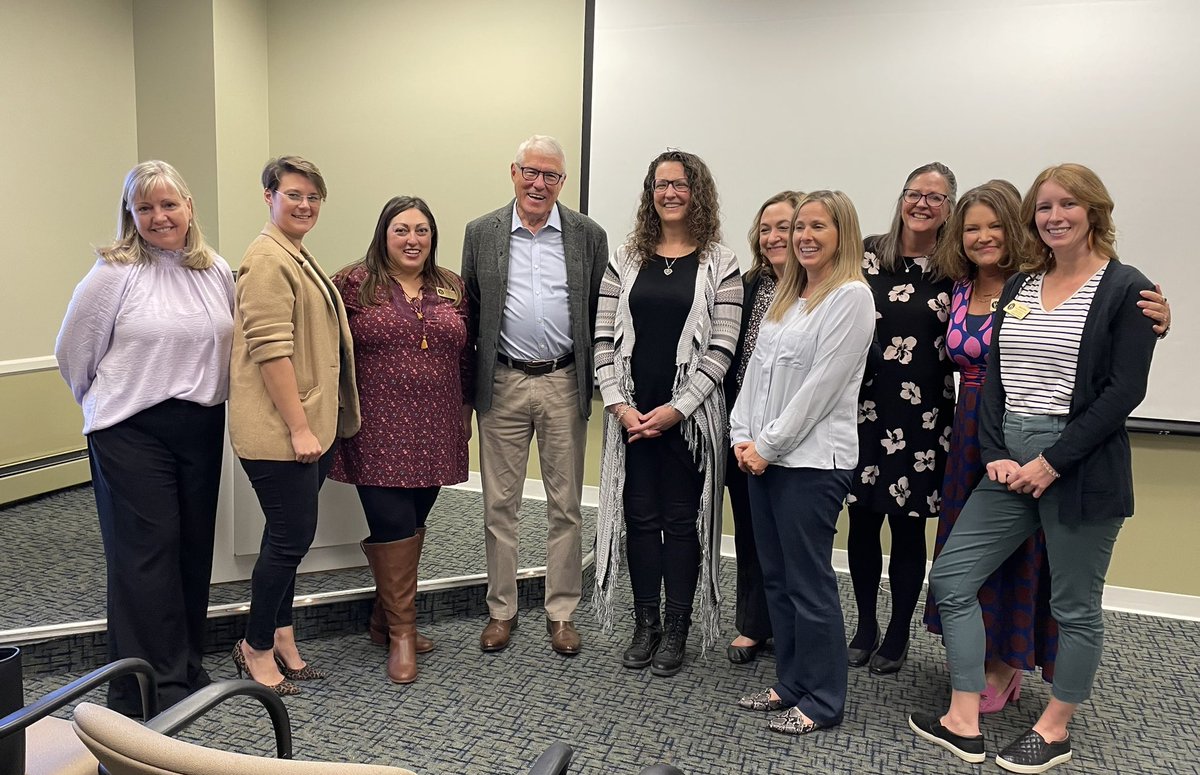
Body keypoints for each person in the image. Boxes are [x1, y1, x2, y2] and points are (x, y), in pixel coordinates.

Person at [909, 164, 1160, 773]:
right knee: (952, 579)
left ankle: (1055, 729)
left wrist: (1052, 461)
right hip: (1009, 464)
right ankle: (963, 718)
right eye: (1044, 208)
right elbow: (995, 376)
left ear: (1094, 210)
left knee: (1075, 605)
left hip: (1079, 465)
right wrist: (995, 452)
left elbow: (1124, 391)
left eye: (1067, 205)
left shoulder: (1128, 290)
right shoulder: (1024, 284)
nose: (1054, 217)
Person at [56, 160, 233, 715]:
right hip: (130, 429)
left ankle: (185, 667)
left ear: (188, 208)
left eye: (169, 204)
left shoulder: (215, 270)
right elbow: (72, 354)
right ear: (131, 214)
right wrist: (106, 403)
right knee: (146, 556)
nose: (159, 216)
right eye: (146, 207)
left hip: (200, 423)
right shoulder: (113, 274)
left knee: (191, 551)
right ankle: (145, 691)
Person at [730, 190, 875, 735]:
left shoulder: (851, 297)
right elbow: (756, 377)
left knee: (809, 583)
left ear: (843, 234)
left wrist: (766, 447)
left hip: (812, 464)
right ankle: (790, 683)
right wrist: (741, 437)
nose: (803, 237)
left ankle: (823, 699)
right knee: (778, 578)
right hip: (763, 459)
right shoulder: (788, 295)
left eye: (818, 226)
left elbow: (821, 389)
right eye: (798, 228)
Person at [594, 149, 743, 676]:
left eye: (679, 184)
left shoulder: (721, 263)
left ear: (696, 192)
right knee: (638, 520)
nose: (669, 193)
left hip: (691, 422)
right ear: (649, 193)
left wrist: (677, 411)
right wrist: (617, 402)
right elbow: (602, 338)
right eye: (660, 184)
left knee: (681, 523)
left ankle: (678, 627)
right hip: (630, 418)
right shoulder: (626, 258)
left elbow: (722, 349)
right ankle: (645, 624)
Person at [461, 135, 609, 656]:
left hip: (564, 381)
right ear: (513, 172)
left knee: (565, 503)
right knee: (499, 503)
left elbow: (597, 311)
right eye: (531, 172)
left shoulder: (588, 235)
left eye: (551, 176)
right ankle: (501, 610)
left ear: (562, 182)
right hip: (502, 381)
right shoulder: (481, 233)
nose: (539, 184)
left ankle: (561, 612)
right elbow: (472, 307)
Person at [229, 156, 360, 695]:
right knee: (290, 537)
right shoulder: (266, 259)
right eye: (293, 195)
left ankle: (282, 634)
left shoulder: (295, 255)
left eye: (313, 197)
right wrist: (301, 426)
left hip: (307, 429)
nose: (304, 205)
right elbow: (271, 352)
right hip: (283, 433)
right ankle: (255, 646)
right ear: (269, 196)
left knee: (287, 537)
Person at [329, 196, 472, 684]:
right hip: (377, 428)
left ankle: (380, 619)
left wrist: (467, 414)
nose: (413, 240)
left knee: (411, 524)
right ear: (383, 235)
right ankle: (403, 635)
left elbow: (466, 356)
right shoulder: (352, 283)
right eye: (401, 230)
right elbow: (326, 351)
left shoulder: (451, 286)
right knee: (392, 524)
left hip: (438, 426)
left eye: (422, 231)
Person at [846, 162, 957, 676]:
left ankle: (897, 634)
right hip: (862, 409)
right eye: (915, 194)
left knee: (908, 530)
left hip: (923, 416)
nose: (923, 204)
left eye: (936, 198)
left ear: (949, 208)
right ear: (901, 198)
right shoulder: (866, 254)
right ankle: (865, 625)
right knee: (862, 523)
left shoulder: (957, 267)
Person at [723, 190, 803, 664]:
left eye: (786, 227)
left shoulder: (822, 287)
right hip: (745, 429)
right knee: (752, 531)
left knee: (794, 536)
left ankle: (794, 627)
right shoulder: (749, 284)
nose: (774, 237)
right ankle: (754, 625)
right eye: (766, 228)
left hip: (800, 434)